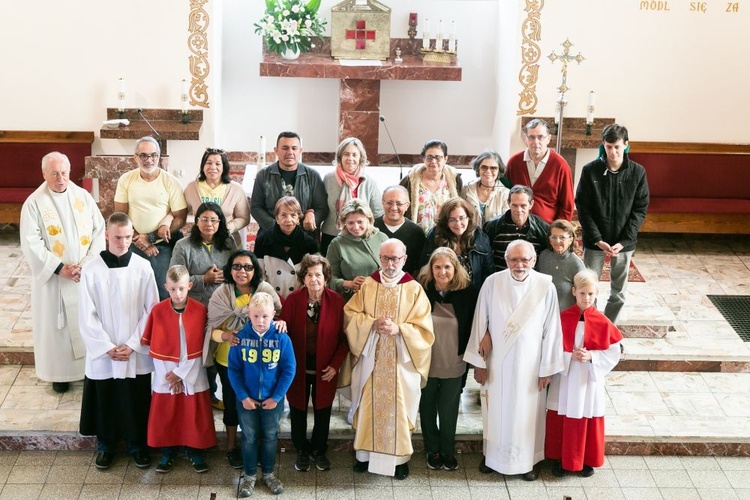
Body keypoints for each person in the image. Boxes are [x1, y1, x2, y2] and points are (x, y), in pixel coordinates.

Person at [463, 239, 563, 480]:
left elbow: (552, 330)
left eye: (525, 260)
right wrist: (479, 362)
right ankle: (493, 457)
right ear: (506, 260)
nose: (520, 265)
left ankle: (526, 462)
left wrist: (547, 368)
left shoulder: (545, 287)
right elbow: (480, 322)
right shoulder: (492, 283)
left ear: (534, 260)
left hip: (531, 364)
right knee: (495, 409)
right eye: (514, 260)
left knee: (526, 412)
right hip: (497, 361)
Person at [343, 239, 434, 480]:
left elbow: (424, 330)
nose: (390, 263)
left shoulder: (414, 289)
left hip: (400, 361)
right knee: (368, 404)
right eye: (385, 258)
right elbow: (350, 314)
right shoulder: (368, 285)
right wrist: (370, 324)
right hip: (371, 359)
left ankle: (399, 460)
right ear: (379, 259)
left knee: (399, 407)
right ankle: (364, 456)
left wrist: (400, 329)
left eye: (395, 258)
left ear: (404, 259)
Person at [78, 212, 159, 470]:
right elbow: (85, 313)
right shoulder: (91, 270)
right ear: (106, 235)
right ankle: (106, 445)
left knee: (135, 397)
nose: (122, 243)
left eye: (127, 237)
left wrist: (134, 344)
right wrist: (107, 347)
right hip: (105, 350)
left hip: (134, 349)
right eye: (117, 237)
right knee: (106, 397)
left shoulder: (143, 267)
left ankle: (137, 444)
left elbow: (151, 310)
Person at [20, 151, 105, 393]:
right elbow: (31, 243)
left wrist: (87, 264)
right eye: (54, 173)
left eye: (64, 173)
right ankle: (59, 374)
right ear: (44, 173)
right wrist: (59, 269)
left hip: (82, 275)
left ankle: (87, 370)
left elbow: (99, 231)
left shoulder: (83, 197)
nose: (60, 178)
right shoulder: (35, 203)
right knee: (58, 328)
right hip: (55, 280)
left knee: (84, 321)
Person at [205, 249, 282, 468]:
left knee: (259, 404)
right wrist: (226, 335)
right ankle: (231, 447)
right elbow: (210, 329)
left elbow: (277, 315)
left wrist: (281, 323)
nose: (242, 271)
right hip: (229, 361)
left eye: (248, 267)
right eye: (237, 266)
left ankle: (257, 447)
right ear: (230, 269)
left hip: (261, 361)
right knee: (232, 404)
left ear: (255, 270)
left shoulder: (264, 289)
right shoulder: (221, 293)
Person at [546, 269, 622, 478]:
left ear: (596, 292)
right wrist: (568, 356)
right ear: (573, 292)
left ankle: (586, 459)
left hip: (589, 379)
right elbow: (549, 347)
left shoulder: (602, 321)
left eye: (590, 294)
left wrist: (592, 357)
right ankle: (561, 459)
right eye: (582, 293)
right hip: (566, 377)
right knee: (563, 413)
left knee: (586, 414)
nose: (586, 298)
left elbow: (614, 351)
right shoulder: (561, 318)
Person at [141, 265, 217, 473]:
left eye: (182, 288)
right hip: (166, 373)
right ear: (166, 287)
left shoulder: (200, 310)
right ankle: (168, 452)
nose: (177, 293)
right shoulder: (158, 310)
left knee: (192, 412)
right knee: (168, 413)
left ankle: (195, 451)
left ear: (189, 286)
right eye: (173, 289)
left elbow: (198, 346)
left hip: (192, 372)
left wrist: (181, 374)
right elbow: (155, 347)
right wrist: (171, 377)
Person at [281, 254, 349, 472]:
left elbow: (344, 339)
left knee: (323, 411)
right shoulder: (293, 301)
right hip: (298, 368)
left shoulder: (337, 302)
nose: (314, 279)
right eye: (309, 275)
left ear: (326, 277)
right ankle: (301, 450)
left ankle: (319, 450)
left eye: (318, 274)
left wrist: (335, 365)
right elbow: (285, 336)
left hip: (325, 369)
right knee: (298, 410)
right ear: (303, 278)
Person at [576, 124, 649, 323]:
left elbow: (640, 209)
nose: (613, 152)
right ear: (603, 145)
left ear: (626, 145)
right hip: (595, 242)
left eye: (617, 147)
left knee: (619, 292)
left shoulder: (638, 172)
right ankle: (591, 326)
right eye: (608, 147)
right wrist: (598, 239)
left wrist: (625, 241)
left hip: (624, 242)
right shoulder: (590, 170)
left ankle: (608, 328)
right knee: (589, 290)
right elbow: (583, 207)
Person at [417, 247, 478, 471]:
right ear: (430, 269)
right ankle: (432, 449)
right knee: (427, 406)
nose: (443, 272)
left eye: (447, 267)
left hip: (454, 357)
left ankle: (447, 450)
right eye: (438, 267)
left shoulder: (468, 292)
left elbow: (475, 324)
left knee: (449, 408)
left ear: (455, 269)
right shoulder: (421, 290)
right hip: (427, 359)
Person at [229, 292, 295, 498]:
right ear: (249, 314)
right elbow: (233, 370)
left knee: (269, 436)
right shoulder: (240, 338)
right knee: (248, 437)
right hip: (246, 400)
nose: (260, 321)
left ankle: (268, 473)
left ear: (273, 314)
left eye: (265, 316)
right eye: (256, 316)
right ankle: (249, 476)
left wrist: (276, 397)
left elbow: (289, 369)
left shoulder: (282, 338)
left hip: (272, 400)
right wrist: (243, 397)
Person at [114, 136, 187, 300]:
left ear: (159, 156)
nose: (149, 160)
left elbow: (180, 218)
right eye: (144, 155)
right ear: (135, 157)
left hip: (163, 246)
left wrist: (151, 238)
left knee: (162, 292)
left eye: (154, 155)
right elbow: (120, 216)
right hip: (133, 244)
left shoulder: (171, 181)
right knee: (133, 294)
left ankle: (161, 326)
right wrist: (140, 241)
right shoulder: (126, 180)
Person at [250, 131, 328, 236]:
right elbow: (256, 207)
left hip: (304, 236)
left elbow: (322, 208)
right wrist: (277, 227)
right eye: (285, 148)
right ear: (276, 150)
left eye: (294, 148)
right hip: (272, 235)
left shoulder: (313, 176)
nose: (290, 152)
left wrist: (312, 216)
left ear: (300, 151)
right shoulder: (263, 175)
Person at [321, 137, 384, 255]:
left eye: (354, 155)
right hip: (332, 234)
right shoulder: (329, 178)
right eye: (346, 154)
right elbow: (322, 207)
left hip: (361, 237)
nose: (350, 158)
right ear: (340, 157)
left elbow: (378, 213)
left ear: (360, 157)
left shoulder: (369, 181)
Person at [505, 119, 574, 223]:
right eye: (531, 137)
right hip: (516, 226)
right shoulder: (514, 162)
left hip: (547, 228)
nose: (536, 142)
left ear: (548, 139)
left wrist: (556, 231)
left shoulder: (561, 166)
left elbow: (567, 206)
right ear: (525, 138)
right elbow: (505, 194)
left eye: (540, 137)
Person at [420, 197, 494, 291]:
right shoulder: (434, 237)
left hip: (474, 295)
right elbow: (425, 272)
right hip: (444, 296)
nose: (458, 224)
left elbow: (488, 273)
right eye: (452, 219)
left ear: (468, 218)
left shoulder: (480, 237)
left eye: (462, 218)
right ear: (446, 222)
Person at [170, 202, 237, 305]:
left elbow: (237, 268)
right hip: (196, 303)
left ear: (220, 222)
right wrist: (204, 279)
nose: (209, 224)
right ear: (197, 221)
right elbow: (174, 279)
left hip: (225, 302)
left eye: (213, 220)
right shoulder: (182, 246)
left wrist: (228, 274)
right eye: (204, 219)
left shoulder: (228, 242)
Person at [183, 147, 250, 247]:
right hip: (200, 242)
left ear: (224, 167)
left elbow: (244, 218)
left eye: (218, 164)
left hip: (228, 242)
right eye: (208, 163)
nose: (213, 167)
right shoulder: (191, 188)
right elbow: (181, 213)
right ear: (203, 166)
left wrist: (226, 229)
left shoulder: (236, 189)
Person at [254, 196, 318, 300]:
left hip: (299, 299)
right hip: (270, 298)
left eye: (293, 215)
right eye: (283, 215)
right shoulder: (263, 240)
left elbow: (312, 276)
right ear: (277, 218)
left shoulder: (309, 243)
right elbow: (259, 276)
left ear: (298, 218)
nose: (288, 220)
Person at [326, 199, 388, 297]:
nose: (356, 227)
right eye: (350, 223)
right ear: (344, 223)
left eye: (360, 222)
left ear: (369, 220)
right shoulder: (336, 244)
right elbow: (329, 278)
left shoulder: (382, 238)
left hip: (382, 296)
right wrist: (349, 284)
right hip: (352, 299)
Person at [400, 139, 464, 233]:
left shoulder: (455, 180)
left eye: (438, 157)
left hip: (445, 237)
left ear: (445, 159)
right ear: (423, 159)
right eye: (429, 157)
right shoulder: (409, 180)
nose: (433, 161)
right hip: (416, 237)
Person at [483, 185, 550, 272]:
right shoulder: (492, 227)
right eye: (514, 205)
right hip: (502, 280)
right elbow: (485, 258)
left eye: (523, 206)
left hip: (531, 281)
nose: (518, 210)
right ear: (508, 203)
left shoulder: (543, 227)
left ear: (531, 204)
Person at [374, 185, 426, 276]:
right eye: (389, 203)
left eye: (399, 204)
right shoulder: (372, 228)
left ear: (407, 206)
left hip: (406, 285)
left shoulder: (417, 233)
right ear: (382, 203)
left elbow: (419, 267)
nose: (394, 208)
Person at [537, 219, 585, 311]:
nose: (557, 241)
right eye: (553, 237)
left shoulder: (576, 264)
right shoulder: (543, 256)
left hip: (565, 315)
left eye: (562, 237)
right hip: (543, 311)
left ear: (570, 240)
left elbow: (584, 295)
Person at [462, 150, 510, 225]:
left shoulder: (506, 194)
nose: (488, 171)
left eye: (493, 168)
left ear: (499, 170)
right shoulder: (466, 189)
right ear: (478, 169)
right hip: (470, 235)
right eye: (484, 167)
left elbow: (506, 223)